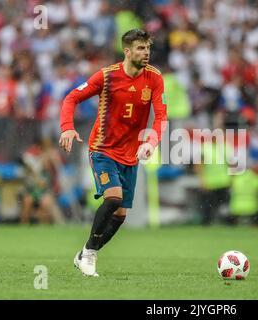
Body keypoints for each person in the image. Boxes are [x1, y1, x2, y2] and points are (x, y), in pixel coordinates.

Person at [59, 29, 168, 277]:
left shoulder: (154, 78)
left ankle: (86, 251)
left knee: (120, 214)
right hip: (103, 149)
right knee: (114, 198)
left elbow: (161, 116)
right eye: (140, 48)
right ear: (127, 52)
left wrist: (151, 141)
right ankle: (89, 254)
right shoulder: (107, 76)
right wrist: (67, 128)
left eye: (148, 48)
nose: (146, 52)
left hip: (131, 154)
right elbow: (71, 98)